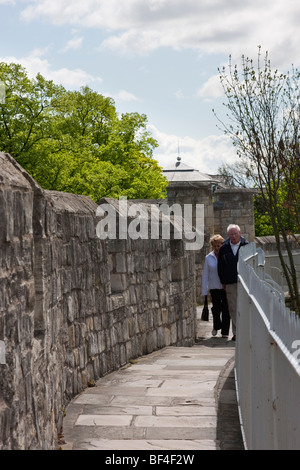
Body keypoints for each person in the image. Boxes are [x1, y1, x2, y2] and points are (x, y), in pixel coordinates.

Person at [217, 224, 248, 341]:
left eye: (235, 234)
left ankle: (245, 331)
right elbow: (220, 267)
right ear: (228, 235)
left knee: (245, 307)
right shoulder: (224, 248)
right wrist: (223, 281)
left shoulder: (247, 246)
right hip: (230, 282)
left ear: (240, 233)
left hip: (245, 282)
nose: (233, 236)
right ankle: (237, 332)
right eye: (231, 234)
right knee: (234, 308)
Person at [202, 234, 230, 338]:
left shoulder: (226, 256)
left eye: (218, 246)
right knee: (216, 308)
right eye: (214, 246)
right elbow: (205, 274)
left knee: (226, 309)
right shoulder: (209, 257)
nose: (217, 248)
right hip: (214, 287)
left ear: (222, 245)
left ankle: (225, 331)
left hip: (226, 287)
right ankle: (216, 325)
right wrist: (204, 291)